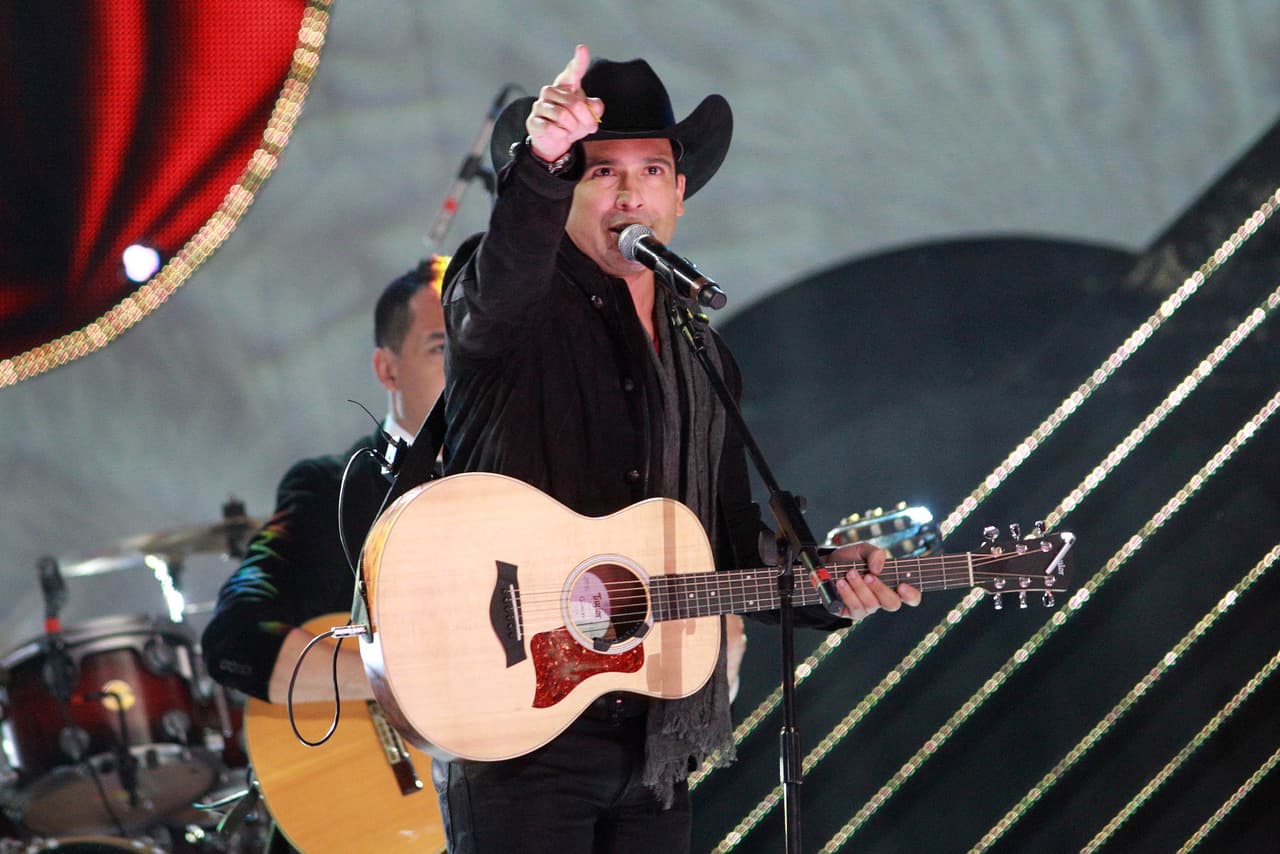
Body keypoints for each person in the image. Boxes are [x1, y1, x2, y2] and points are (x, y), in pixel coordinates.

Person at [434, 45, 921, 852]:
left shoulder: (702, 352)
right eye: (600, 172)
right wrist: (542, 160)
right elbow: (500, 282)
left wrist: (826, 585)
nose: (631, 192)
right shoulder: (510, 309)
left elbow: (724, 543)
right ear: (559, 192)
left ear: (681, 194)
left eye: (652, 170)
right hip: (519, 730)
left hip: (653, 739)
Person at [199, 258, 448, 849]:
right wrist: (406, 679)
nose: (469, 366)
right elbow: (236, 638)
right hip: (379, 806)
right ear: (387, 369)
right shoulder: (336, 489)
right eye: (442, 348)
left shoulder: (538, 490)